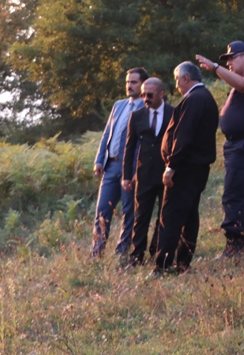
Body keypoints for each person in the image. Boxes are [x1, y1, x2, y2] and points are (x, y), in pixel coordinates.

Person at [196, 42, 244, 255]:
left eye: (231, 58)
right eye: (225, 60)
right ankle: (239, 239)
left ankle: (235, 243)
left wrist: (215, 68)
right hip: (239, 143)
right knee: (238, 192)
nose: (228, 62)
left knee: (232, 194)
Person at [152, 63, 219, 275]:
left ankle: (162, 266)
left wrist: (171, 165)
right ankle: (183, 263)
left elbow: (184, 135)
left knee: (171, 215)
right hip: (196, 168)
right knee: (189, 215)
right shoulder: (204, 97)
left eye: (177, 79)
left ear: (186, 79)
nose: (176, 85)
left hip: (186, 168)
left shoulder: (194, 99)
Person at [90, 67, 148, 259]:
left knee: (128, 211)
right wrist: (100, 159)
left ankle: (121, 253)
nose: (129, 86)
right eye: (127, 82)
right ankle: (96, 252)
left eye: (134, 82)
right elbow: (107, 133)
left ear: (143, 85)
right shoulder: (119, 105)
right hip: (110, 165)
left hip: (130, 168)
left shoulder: (147, 108)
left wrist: (137, 170)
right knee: (102, 211)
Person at [121, 77, 171, 268]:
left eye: (149, 95)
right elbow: (129, 146)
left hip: (166, 173)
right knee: (140, 216)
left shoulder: (173, 113)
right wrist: (127, 175)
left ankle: (158, 250)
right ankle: (136, 256)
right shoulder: (137, 115)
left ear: (161, 94)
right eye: (143, 94)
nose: (145, 98)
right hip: (144, 174)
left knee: (164, 215)